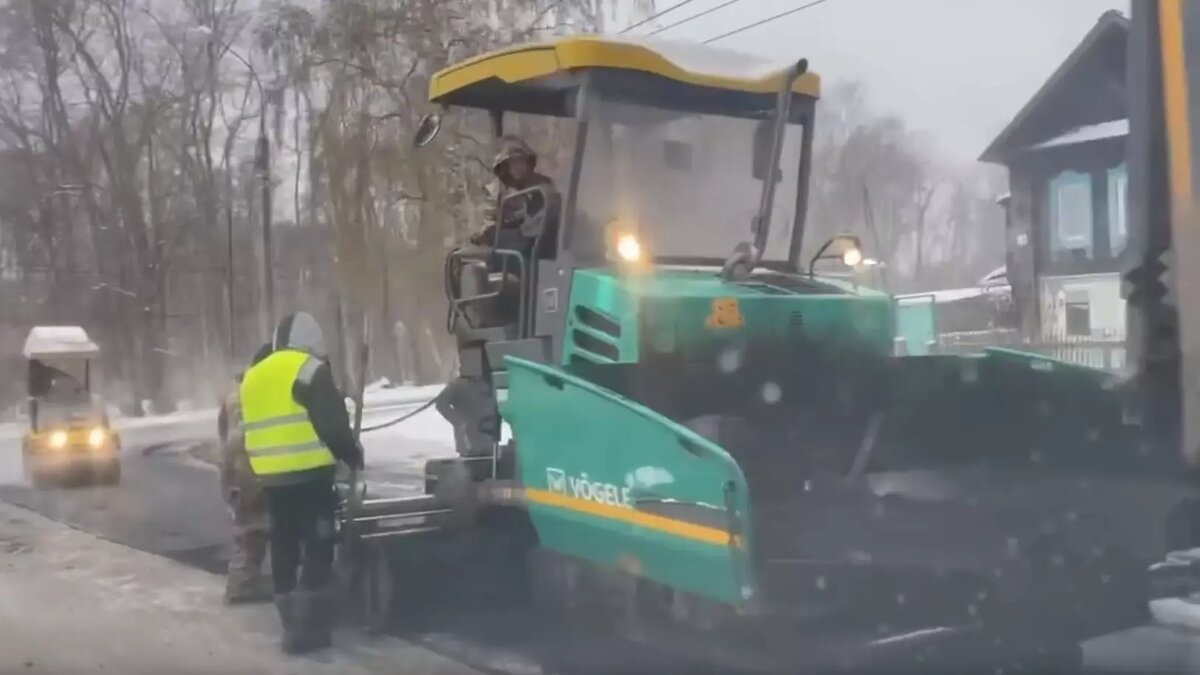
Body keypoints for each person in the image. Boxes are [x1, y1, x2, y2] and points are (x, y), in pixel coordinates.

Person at [238, 311, 364, 654]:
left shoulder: (252, 375)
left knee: (284, 544)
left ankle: (289, 620)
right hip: (310, 476)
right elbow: (333, 425)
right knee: (319, 545)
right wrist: (352, 455)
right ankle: (308, 629)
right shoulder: (309, 370)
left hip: (271, 477)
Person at [217, 343, 274, 604]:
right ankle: (243, 584)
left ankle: (242, 581)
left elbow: (223, 434)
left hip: (234, 469)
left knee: (248, 529)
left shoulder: (231, 398)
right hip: (255, 466)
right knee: (259, 529)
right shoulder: (264, 392)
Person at [469, 134, 560, 256]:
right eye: (514, 163)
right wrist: (485, 232)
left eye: (522, 162)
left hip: (539, 242)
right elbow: (489, 220)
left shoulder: (542, 184)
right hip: (510, 251)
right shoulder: (496, 190)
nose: (520, 167)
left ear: (529, 163)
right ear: (506, 166)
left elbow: (551, 211)